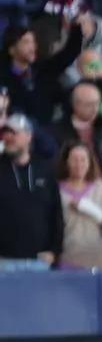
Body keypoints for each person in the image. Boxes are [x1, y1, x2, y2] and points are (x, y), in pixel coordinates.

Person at [0, 113, 60, 268]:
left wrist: (54, 251)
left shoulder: (45, 170)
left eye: (14, 133)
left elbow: (56, 214)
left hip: (40, 260)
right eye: (5, 133)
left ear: (28, 136)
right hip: (4, 261)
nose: (8, 137)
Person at [56, 139, 102, 270]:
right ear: (66, 162)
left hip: (98, 263)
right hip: (66, 262)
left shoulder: (99, 188)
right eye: (74, 159)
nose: (79, 164)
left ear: (89, 162)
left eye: (83, 159)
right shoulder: (57, 190)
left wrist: (89, 208)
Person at [0, 19, 83, 125]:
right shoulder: (3, 78)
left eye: (33, 42)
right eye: (26, 42)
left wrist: (75, 27)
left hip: (48, 129)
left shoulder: (43, 69)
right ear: (12, 50)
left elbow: (69, 54)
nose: (32, 47)